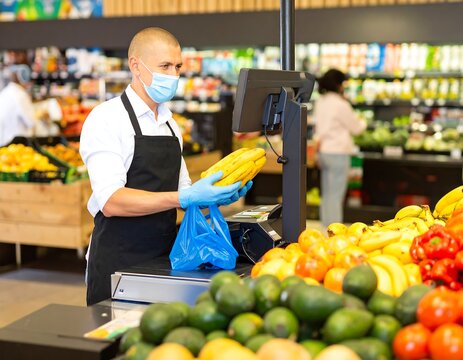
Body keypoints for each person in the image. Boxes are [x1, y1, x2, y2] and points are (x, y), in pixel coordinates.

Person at [80, 27, 251, 306]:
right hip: (117, 260)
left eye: (178, 66)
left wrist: (216, 196)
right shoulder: (107, 119)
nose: (173, 75)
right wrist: (184, 197)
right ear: (136, 65)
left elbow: (184, 193)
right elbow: (111, 201)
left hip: (165, 255)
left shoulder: (171, 124)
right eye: (165, 66)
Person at [312, 69, 367, 228]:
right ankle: (335, 230)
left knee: (327, 194)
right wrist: (362, 122)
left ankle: (326, 227)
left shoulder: (321, 101)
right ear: (337, 84)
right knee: (336, 195)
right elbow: (356, 128)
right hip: (338, 153)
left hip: (324, 151)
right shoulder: (341, 104)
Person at [0, 62, 35, 146]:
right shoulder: (21, 95)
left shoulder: (4, 92)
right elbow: (31, 122)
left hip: (3, 142)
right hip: (17, 144)